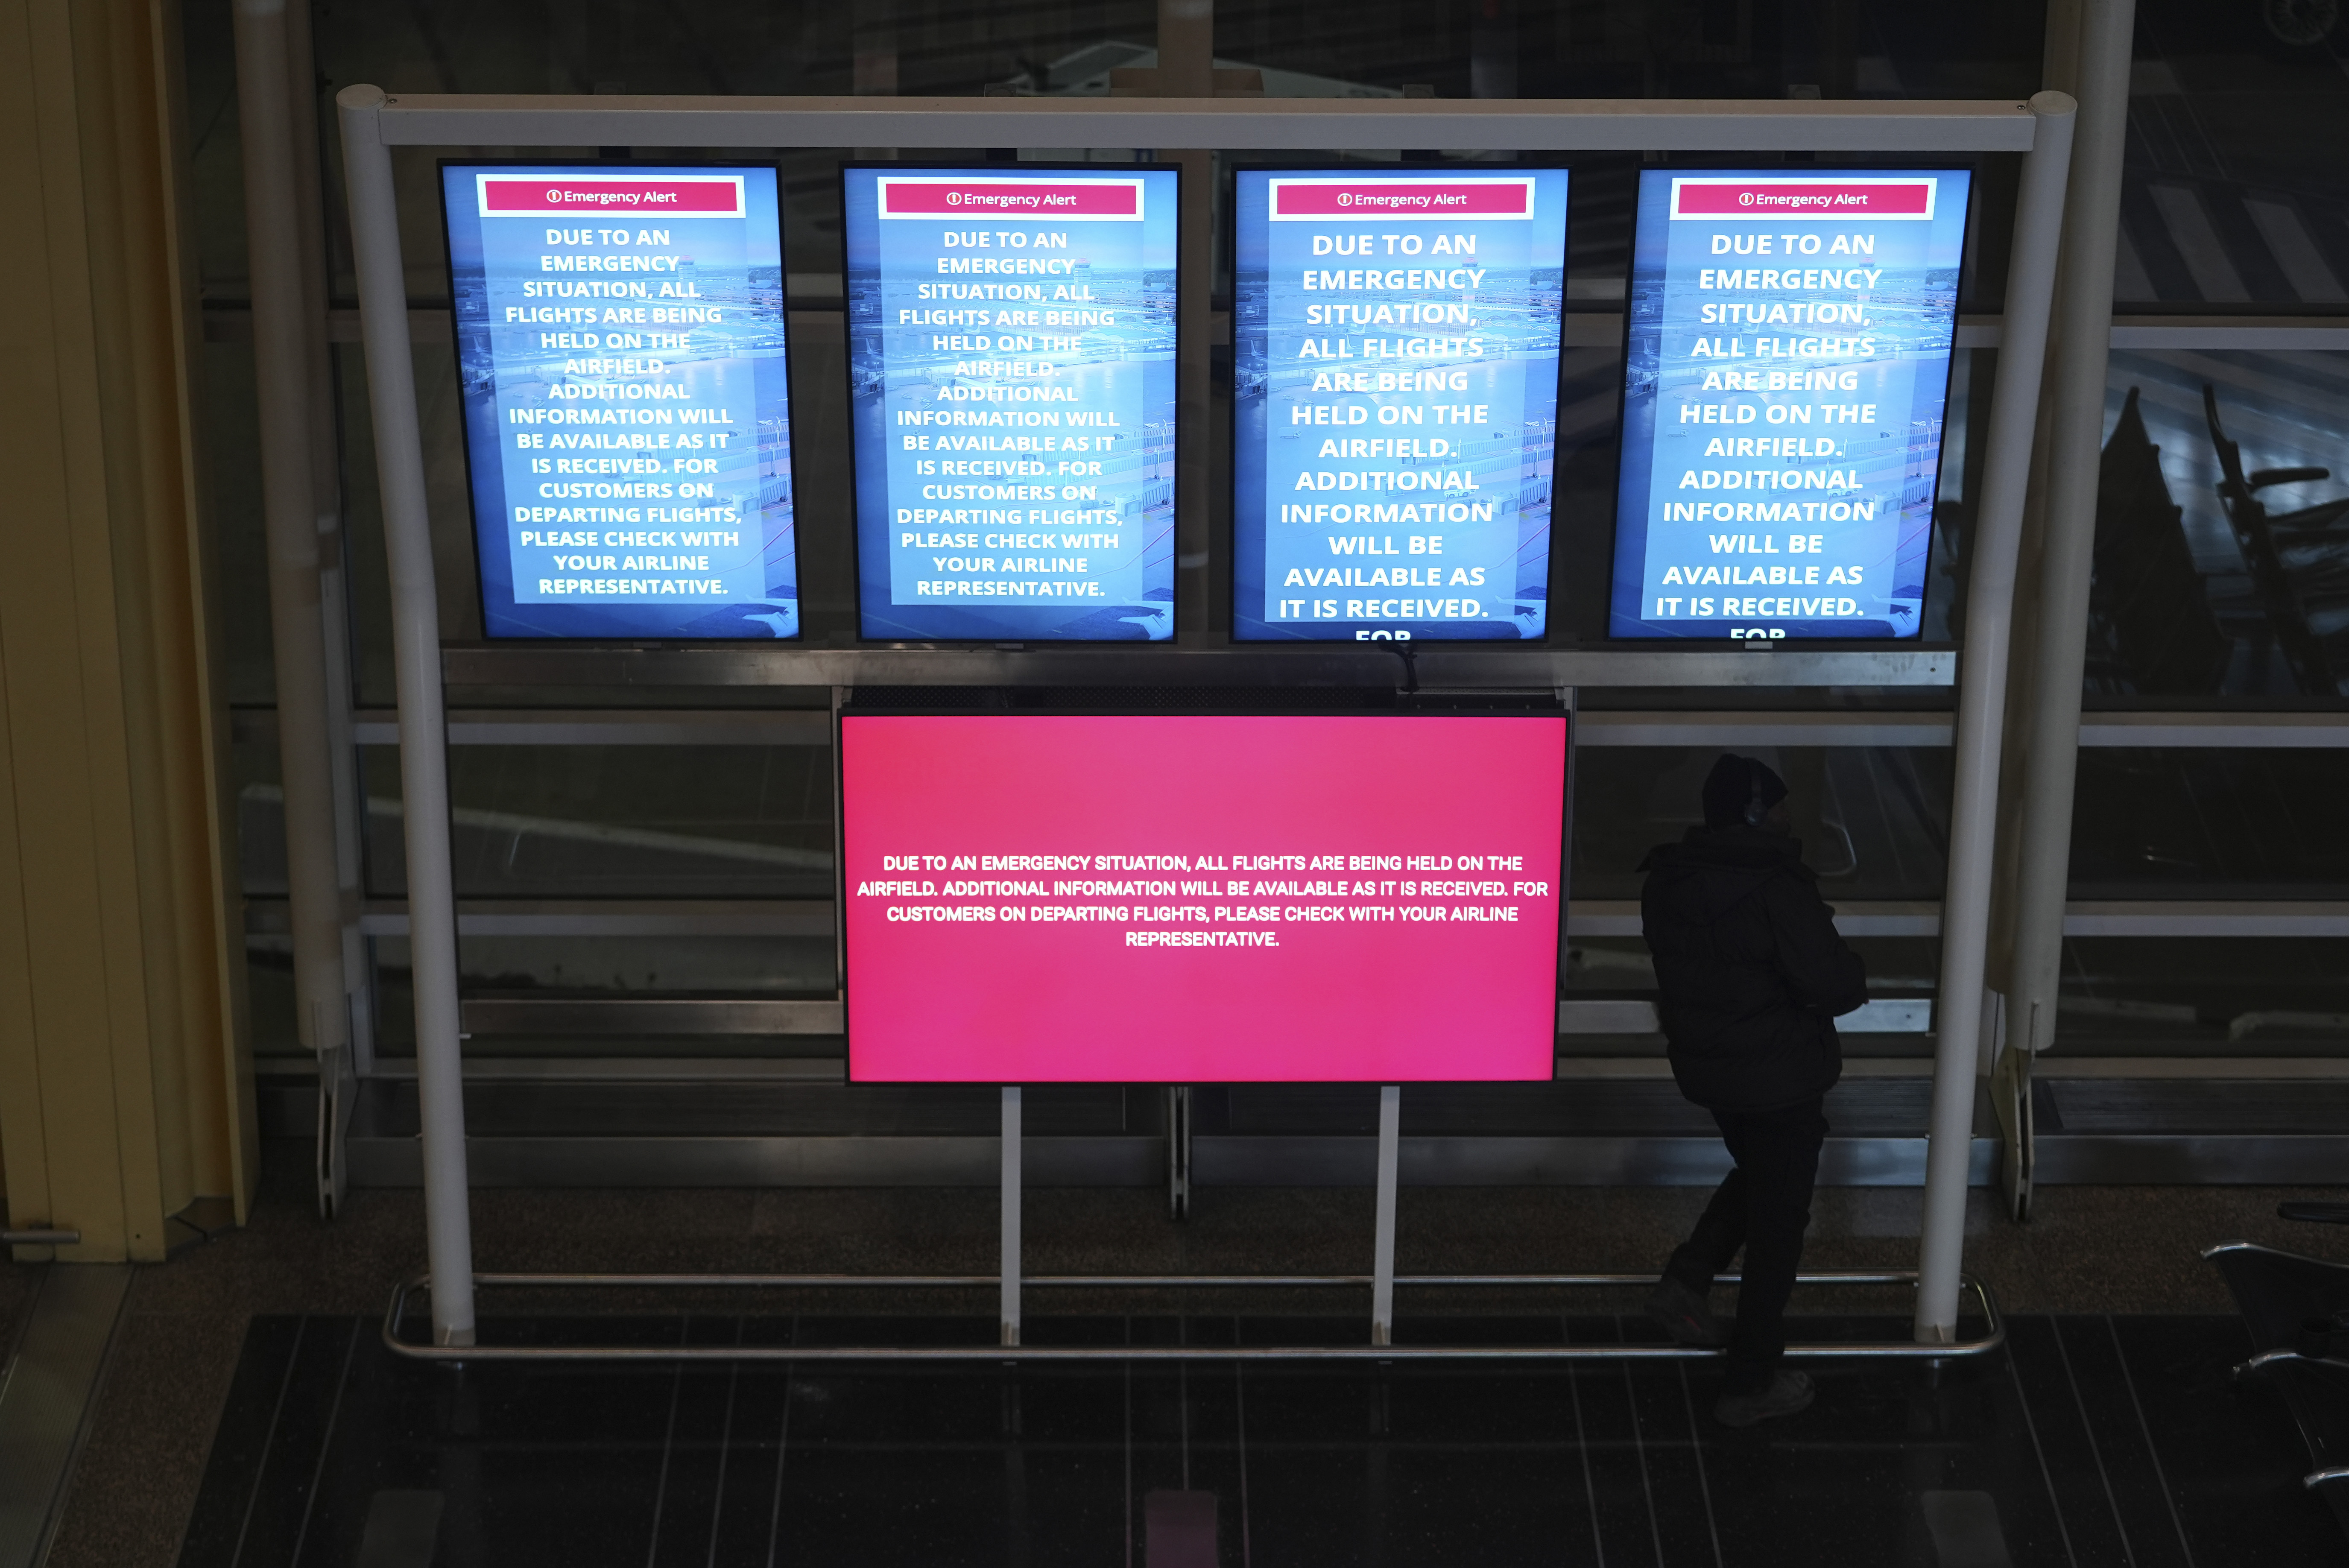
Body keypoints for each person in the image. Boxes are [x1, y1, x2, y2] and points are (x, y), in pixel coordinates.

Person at [1638, 753, 1868, 1427]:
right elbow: (1834, 986)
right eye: (1777, 806)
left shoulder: (1667, 881)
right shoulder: (1773, 887)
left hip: (1712, 1074)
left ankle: (1687, 1279)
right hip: (1781, 1076)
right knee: (1779, 1226)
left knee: (1762, 1173)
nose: (1787, 817)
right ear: (1752, 814)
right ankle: (1749, 1382)